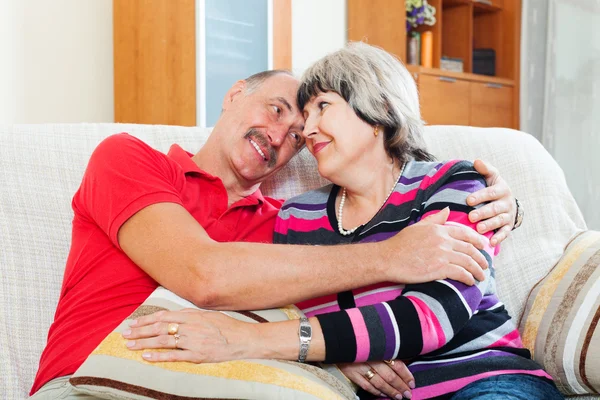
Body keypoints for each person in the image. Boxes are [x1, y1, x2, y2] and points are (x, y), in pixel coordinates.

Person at [31, 63, 521, 397]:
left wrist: (507, 206)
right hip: (87, 382)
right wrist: (392, 255)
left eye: (296, 137)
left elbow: (318, 308)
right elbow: (205, 276)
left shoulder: (283, 226)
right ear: (235, 93)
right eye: (277, 109)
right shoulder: (128, 158)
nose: (282, 136)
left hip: (211, 385)